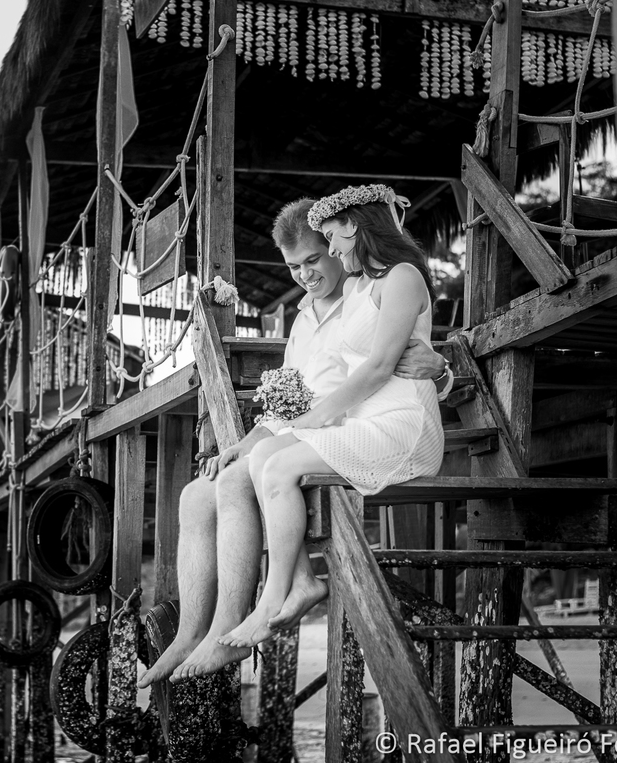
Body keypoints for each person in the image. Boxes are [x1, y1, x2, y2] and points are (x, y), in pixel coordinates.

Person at [137, 195, 451, 687]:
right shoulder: (303, 317)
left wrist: (443, 369)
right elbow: (292, 398)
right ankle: (190, 631)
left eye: (315, 257)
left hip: (353, 425)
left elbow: (400, 358)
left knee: (242, 479)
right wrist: (250, 437)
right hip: (320, 427)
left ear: (337, 243)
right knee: (197, 494)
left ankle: (229, 629)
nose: (306, 274)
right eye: (294, 266)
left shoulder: (367, 288)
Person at [217, 184, 446, 650]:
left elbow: (382, 365)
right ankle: (295, 584)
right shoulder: (362, 285)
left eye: (334, 240)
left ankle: (273, 598)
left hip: (401, 422)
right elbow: (334, 365)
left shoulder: (403, 276)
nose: (335, 251)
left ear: (356, 228)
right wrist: (288, 419)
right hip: (364, 418)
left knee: (278, 466)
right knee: (262, 456)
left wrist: (318, 416)